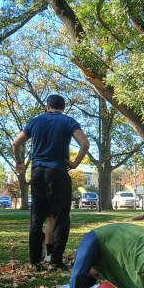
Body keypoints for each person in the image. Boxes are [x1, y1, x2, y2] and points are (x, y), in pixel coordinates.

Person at [12, 94, 90, 269]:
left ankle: (34, 261)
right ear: (63, 108)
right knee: (61, 218)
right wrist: (75, 163)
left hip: (37, 173)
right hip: (58, 173)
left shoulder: (35, 122)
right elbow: (85, 144)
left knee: (36, 218)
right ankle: (55, 260)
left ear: (47, 106)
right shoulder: (69, 121)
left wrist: (19, 162)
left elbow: (16, 143)